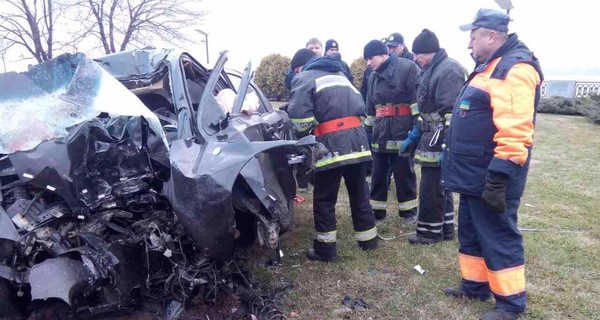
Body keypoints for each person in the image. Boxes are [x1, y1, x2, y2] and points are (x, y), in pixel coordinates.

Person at [440, 8, 543, 320]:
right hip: (474, 174)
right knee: (471, 231)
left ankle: (511, 303)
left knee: (498, 235)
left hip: (492, 175)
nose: (469, 45)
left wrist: (498, 179)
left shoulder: (513, 70)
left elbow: (516, 129)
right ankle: (475, 286)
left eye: (473, 38)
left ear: (492, 36)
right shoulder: (490, 66)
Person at [287, 48, 378, 262]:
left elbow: (300, 118)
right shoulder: (340, 75)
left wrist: (305, 138)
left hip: (331, 146)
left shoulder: (305, 77)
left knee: (325, 197)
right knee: (359, 193)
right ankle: (368, 241)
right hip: (357, 142)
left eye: (296, 69)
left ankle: (325, 250)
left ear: (300, 66)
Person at [402, 29, 466, 245]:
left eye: (418, 54)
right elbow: (426, 111)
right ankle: (446, 229)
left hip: (440, 139)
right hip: (430, 136)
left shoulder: (448, 70)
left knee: (431, 188)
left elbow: (452, 113)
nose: (415, 58)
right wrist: (414, 135)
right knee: (440, 185)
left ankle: (429, 233)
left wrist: (448, 145)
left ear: (429, 51)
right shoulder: (431, 69)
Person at [363, 39, 420, 224]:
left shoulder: (407, 68)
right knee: (378, 174)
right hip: (380, 132)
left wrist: (416, 129)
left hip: (401, 131)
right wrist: (368, 133)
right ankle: (377, 212)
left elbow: (416, 102)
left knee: (404, 173)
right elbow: (370, 109)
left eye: (370, 58)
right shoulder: (372, 76)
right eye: (366, 59)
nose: (368, 63)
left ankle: (409, 213)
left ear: (383, 53)